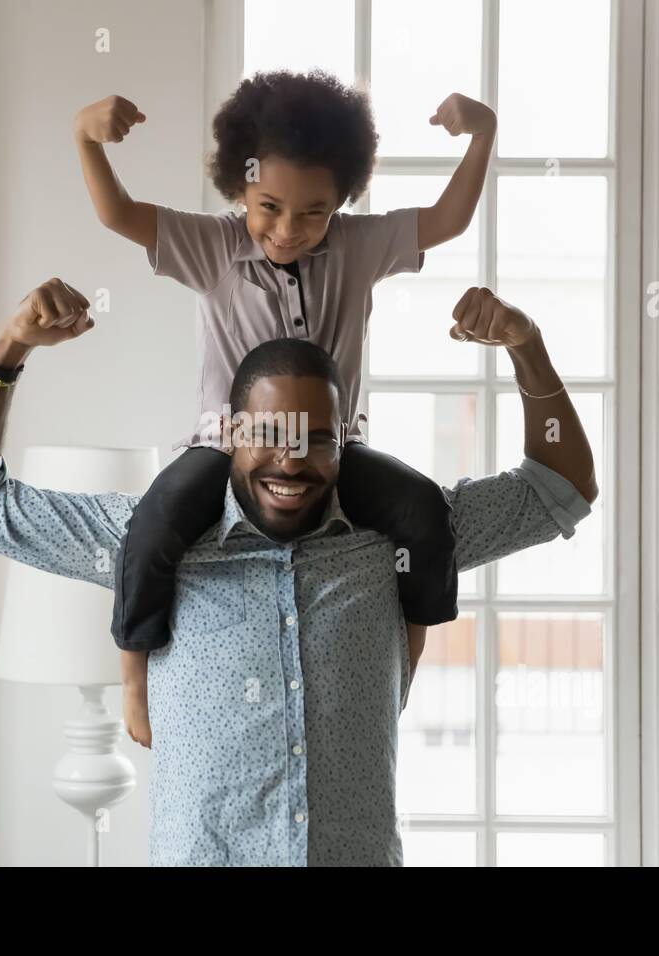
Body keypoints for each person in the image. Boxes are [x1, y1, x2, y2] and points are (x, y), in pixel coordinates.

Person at [0, 277, 598, 865]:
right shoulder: (149, 540)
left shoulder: (396, 540)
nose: (291, 461)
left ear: (344, 443)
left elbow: (561, 488)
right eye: (269, 435)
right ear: (231, 435)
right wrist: (9, 350)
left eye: (315, 439)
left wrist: (527, 345)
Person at [72, 70, 499, 747]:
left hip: (336, 451)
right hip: (228, 447)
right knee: (152, 524)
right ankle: (132, 673)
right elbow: (119, 214)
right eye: (268, 206)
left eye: (313, 212)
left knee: (424, 513)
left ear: (341, 201)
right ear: (237, 186)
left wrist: (483, 137)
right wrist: (87, 140)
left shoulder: (359, 248)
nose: (289, 229)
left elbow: (447, 220)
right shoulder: (211, 248)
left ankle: (407, 661)